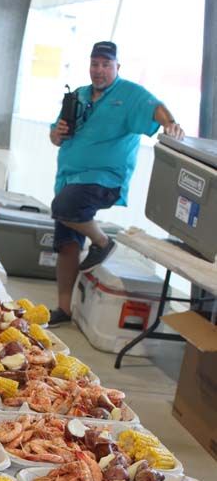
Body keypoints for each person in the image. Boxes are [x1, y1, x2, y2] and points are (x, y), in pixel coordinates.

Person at [48, 40, 184, 327]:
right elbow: (55, 134)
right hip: (69, 177)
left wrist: (170, 123)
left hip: (105, 178)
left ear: (117, 67)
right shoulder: (79, 95)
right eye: (95, 64)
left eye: (106, 65)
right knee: (66, 244)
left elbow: (155, 108)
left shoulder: (129, 94)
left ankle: (103, 242)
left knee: (63, 207)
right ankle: (64, 309)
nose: (99, 70)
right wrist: (57, 133)